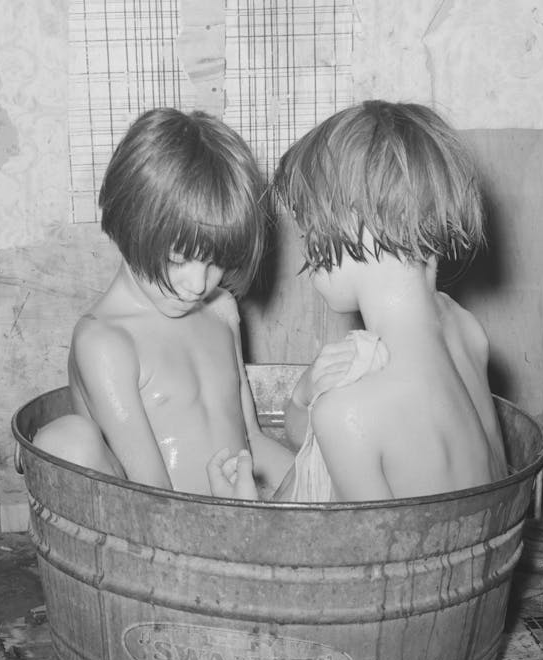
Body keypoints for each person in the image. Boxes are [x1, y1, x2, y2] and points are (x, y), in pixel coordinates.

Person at [209, 100, 507, 501]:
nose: (303, 243)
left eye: (309, 224)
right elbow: (500, 483)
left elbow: (356, 559)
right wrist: (304, 393)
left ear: (360, 226)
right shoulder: (465, 329)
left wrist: (247, 516)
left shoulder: (347, 412)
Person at [34, 108, 293, 496]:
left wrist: (321, 486)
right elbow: (149, 493)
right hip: (159, 529)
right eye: (176, 259)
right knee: (64, 438)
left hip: (240, 509)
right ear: (129, 226)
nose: (197, 284)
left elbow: (252, 442)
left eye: (216, 262)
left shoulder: (221, 310)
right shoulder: (106, 341)